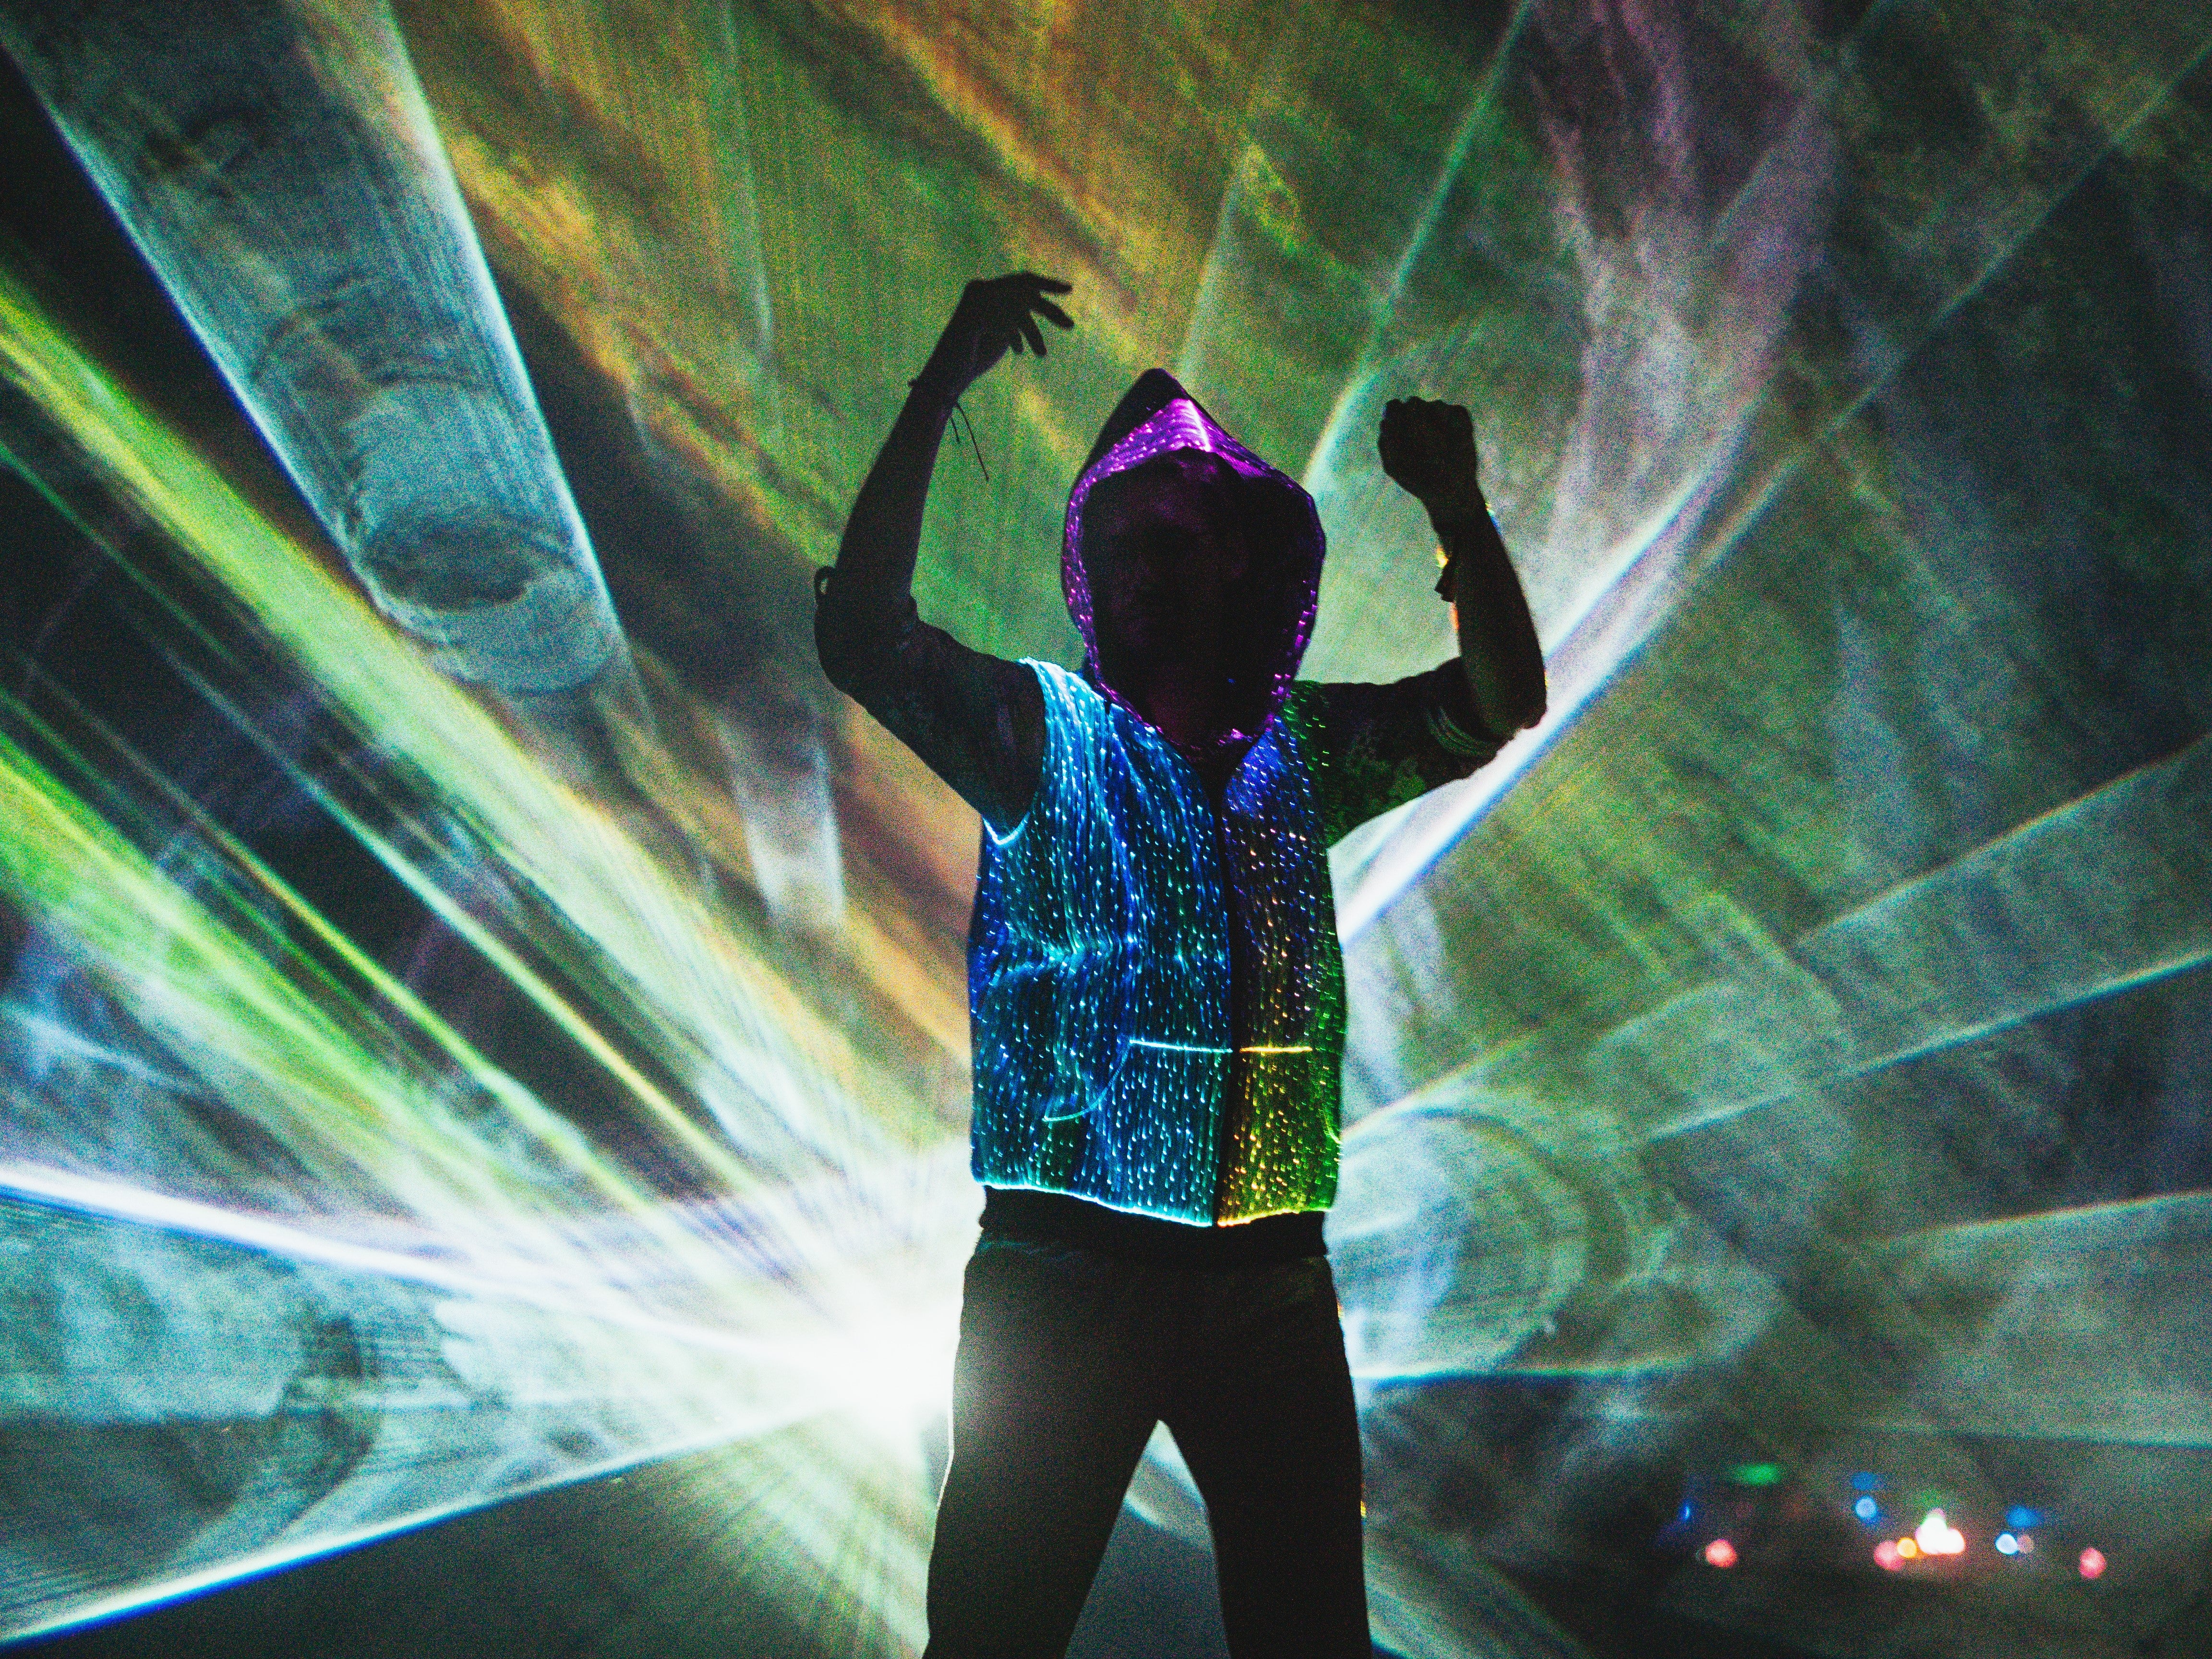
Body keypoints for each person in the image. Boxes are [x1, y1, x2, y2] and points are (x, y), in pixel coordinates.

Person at [816, 272, 1546, 1659]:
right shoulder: (1044, 733)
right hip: (1062, 1275)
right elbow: (863, 635)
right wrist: (942, 383)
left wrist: (1460, 512)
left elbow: (1502, 702)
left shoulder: (1304, 754)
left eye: (1176, 533)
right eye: (1119, 536)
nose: (1145, 561)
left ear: (1243, 563)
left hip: (1270, 1283)